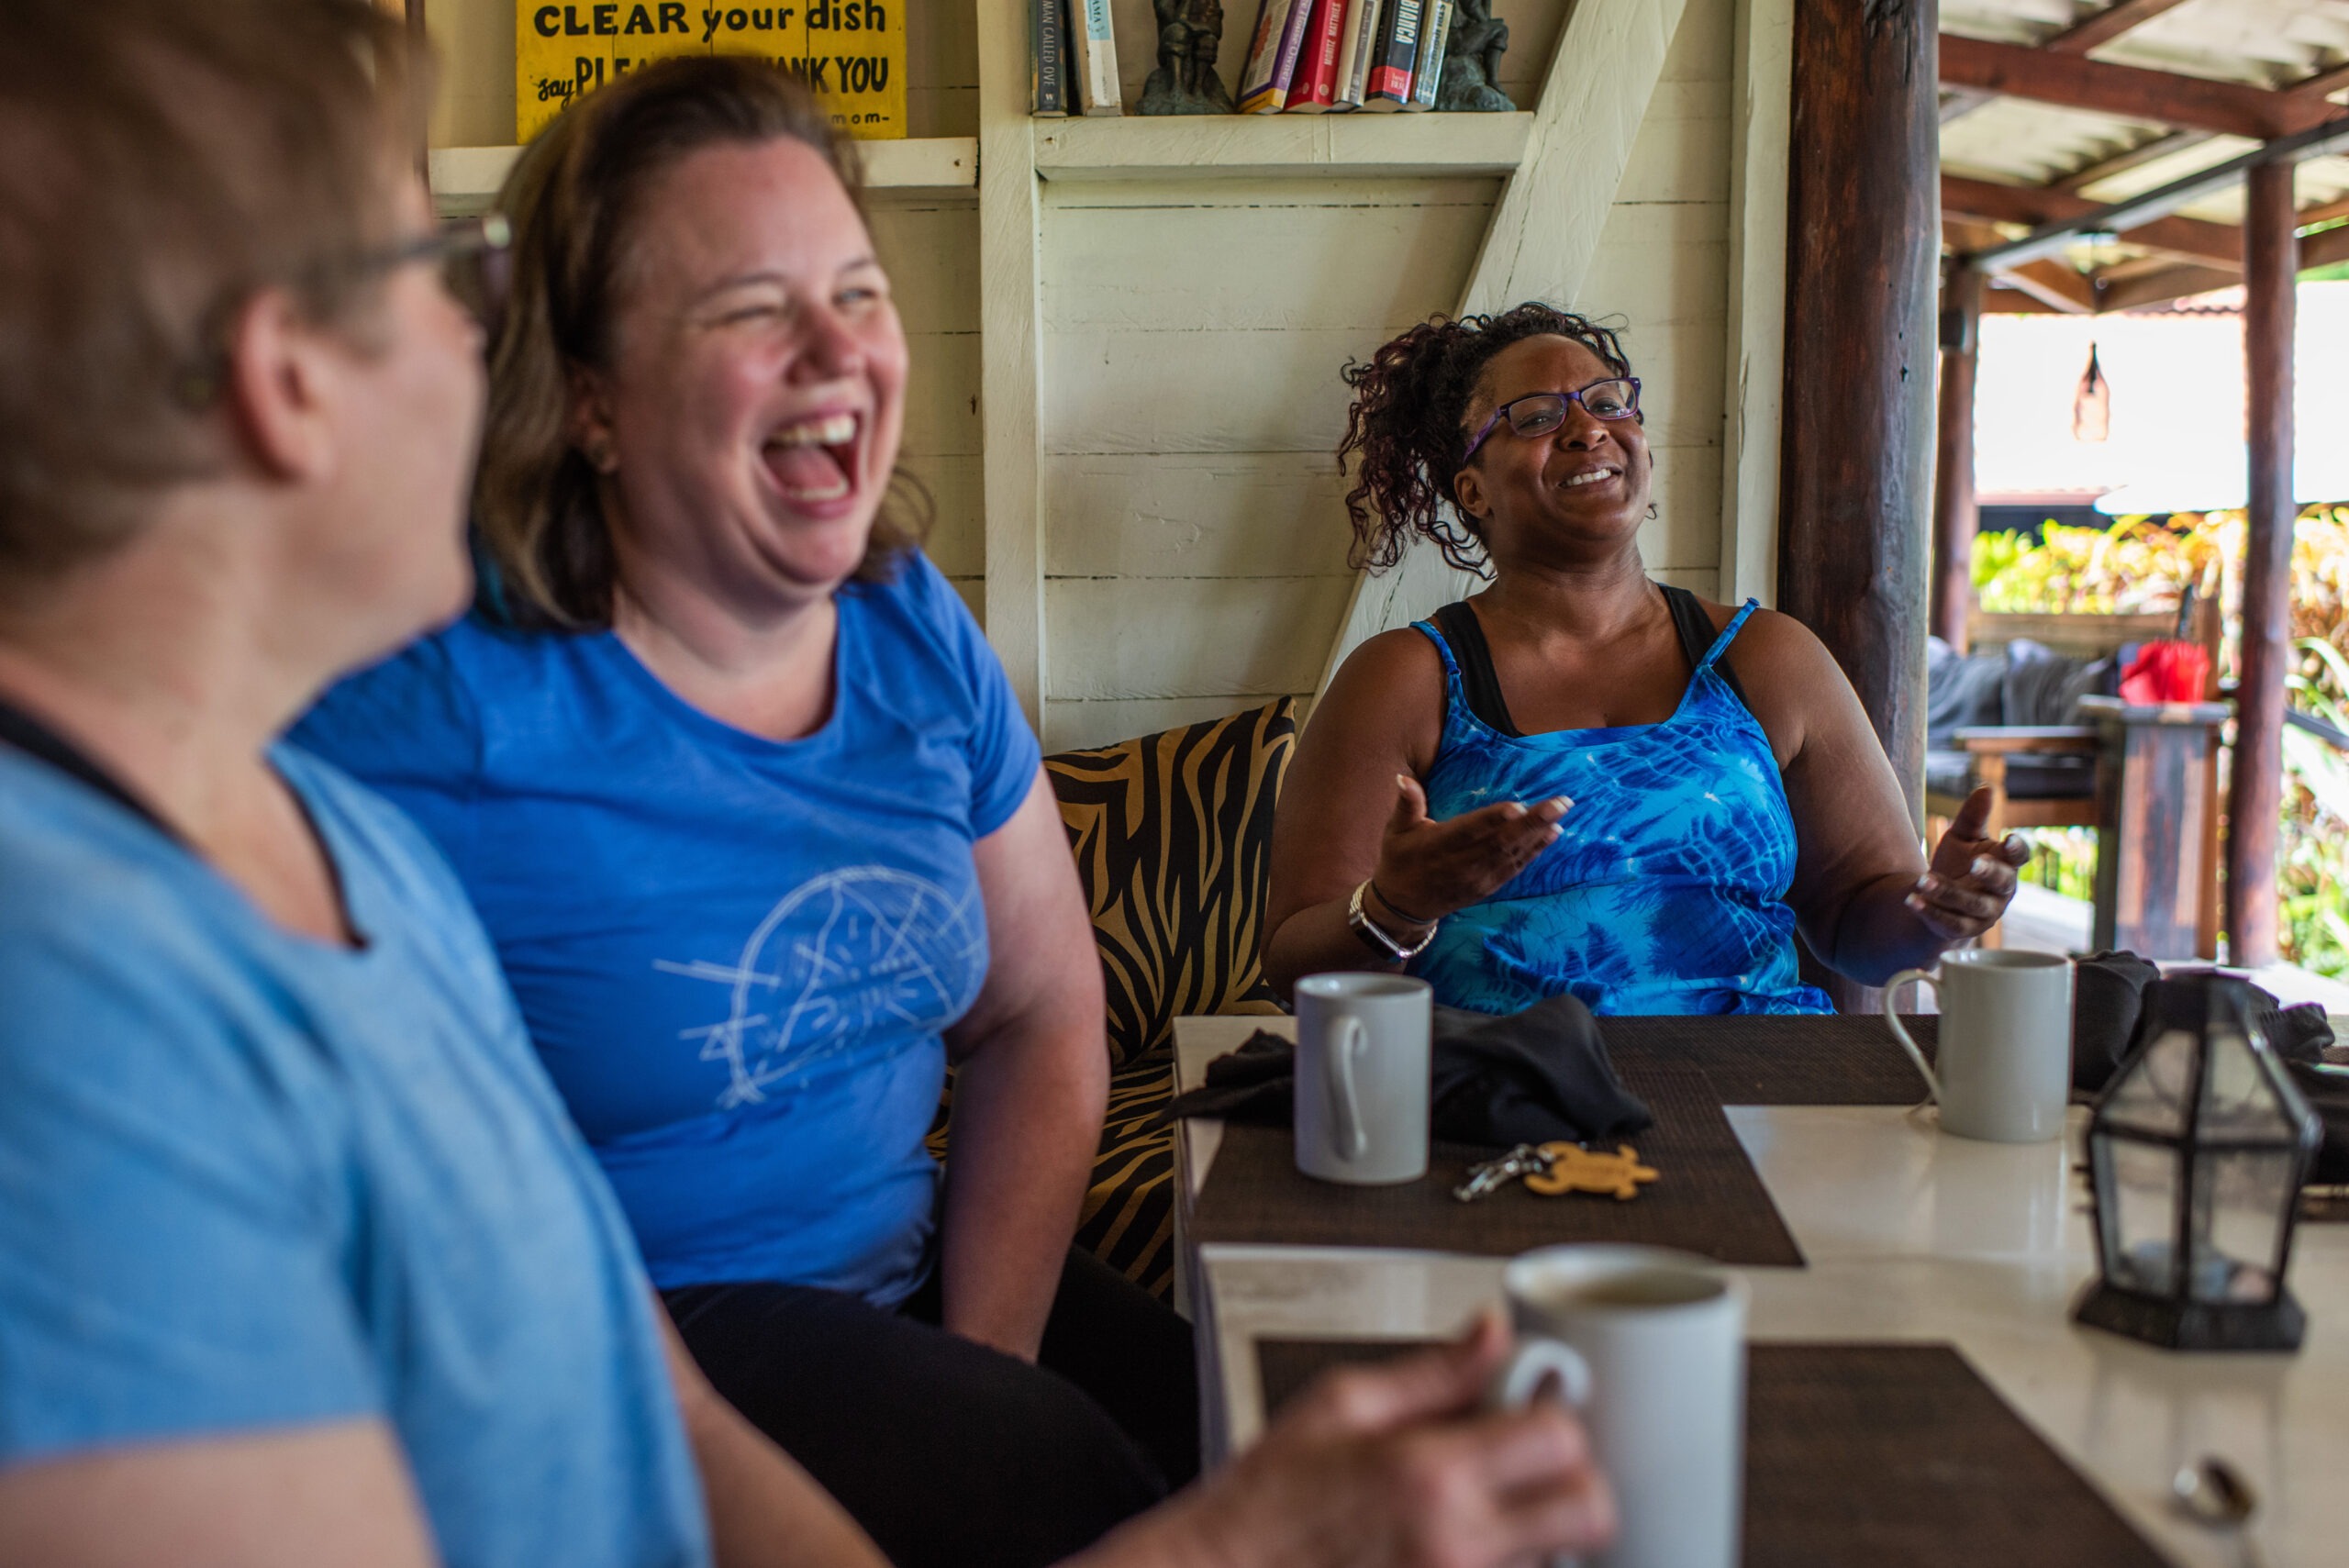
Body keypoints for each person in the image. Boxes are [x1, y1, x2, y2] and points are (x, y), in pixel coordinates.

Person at [0, 7, 1624, 1567]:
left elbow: (648, 1381)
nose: (471, 336)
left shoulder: (330, 847)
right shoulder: (110, 967)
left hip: (851, 1304)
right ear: (290, 382)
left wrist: (1031, 1394)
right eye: (443, 273)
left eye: (857, 288)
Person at [296, 53, 1156, 1568]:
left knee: (1251, 1426)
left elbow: (1043, 1015)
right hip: (626, 1335)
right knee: (1073, 1483)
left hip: (911, 1280)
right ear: (590, 402)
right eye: (753, 307)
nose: (837, 347)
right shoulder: (432, 697)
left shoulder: (911, 628)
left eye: (859, 291)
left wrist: (985, 1362)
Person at [1264, 305, 2027, 1015]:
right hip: (1502, 1104)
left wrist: (1938, 908)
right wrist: (1395, 906)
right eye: (1534, 418)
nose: (1586, 430)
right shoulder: (1407, 679)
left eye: (1606, 403)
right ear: (1474, 490)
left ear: (1643, 447)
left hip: (1755, 1098)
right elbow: (1295, 971)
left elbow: (1860, 921)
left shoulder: (1767, 659)